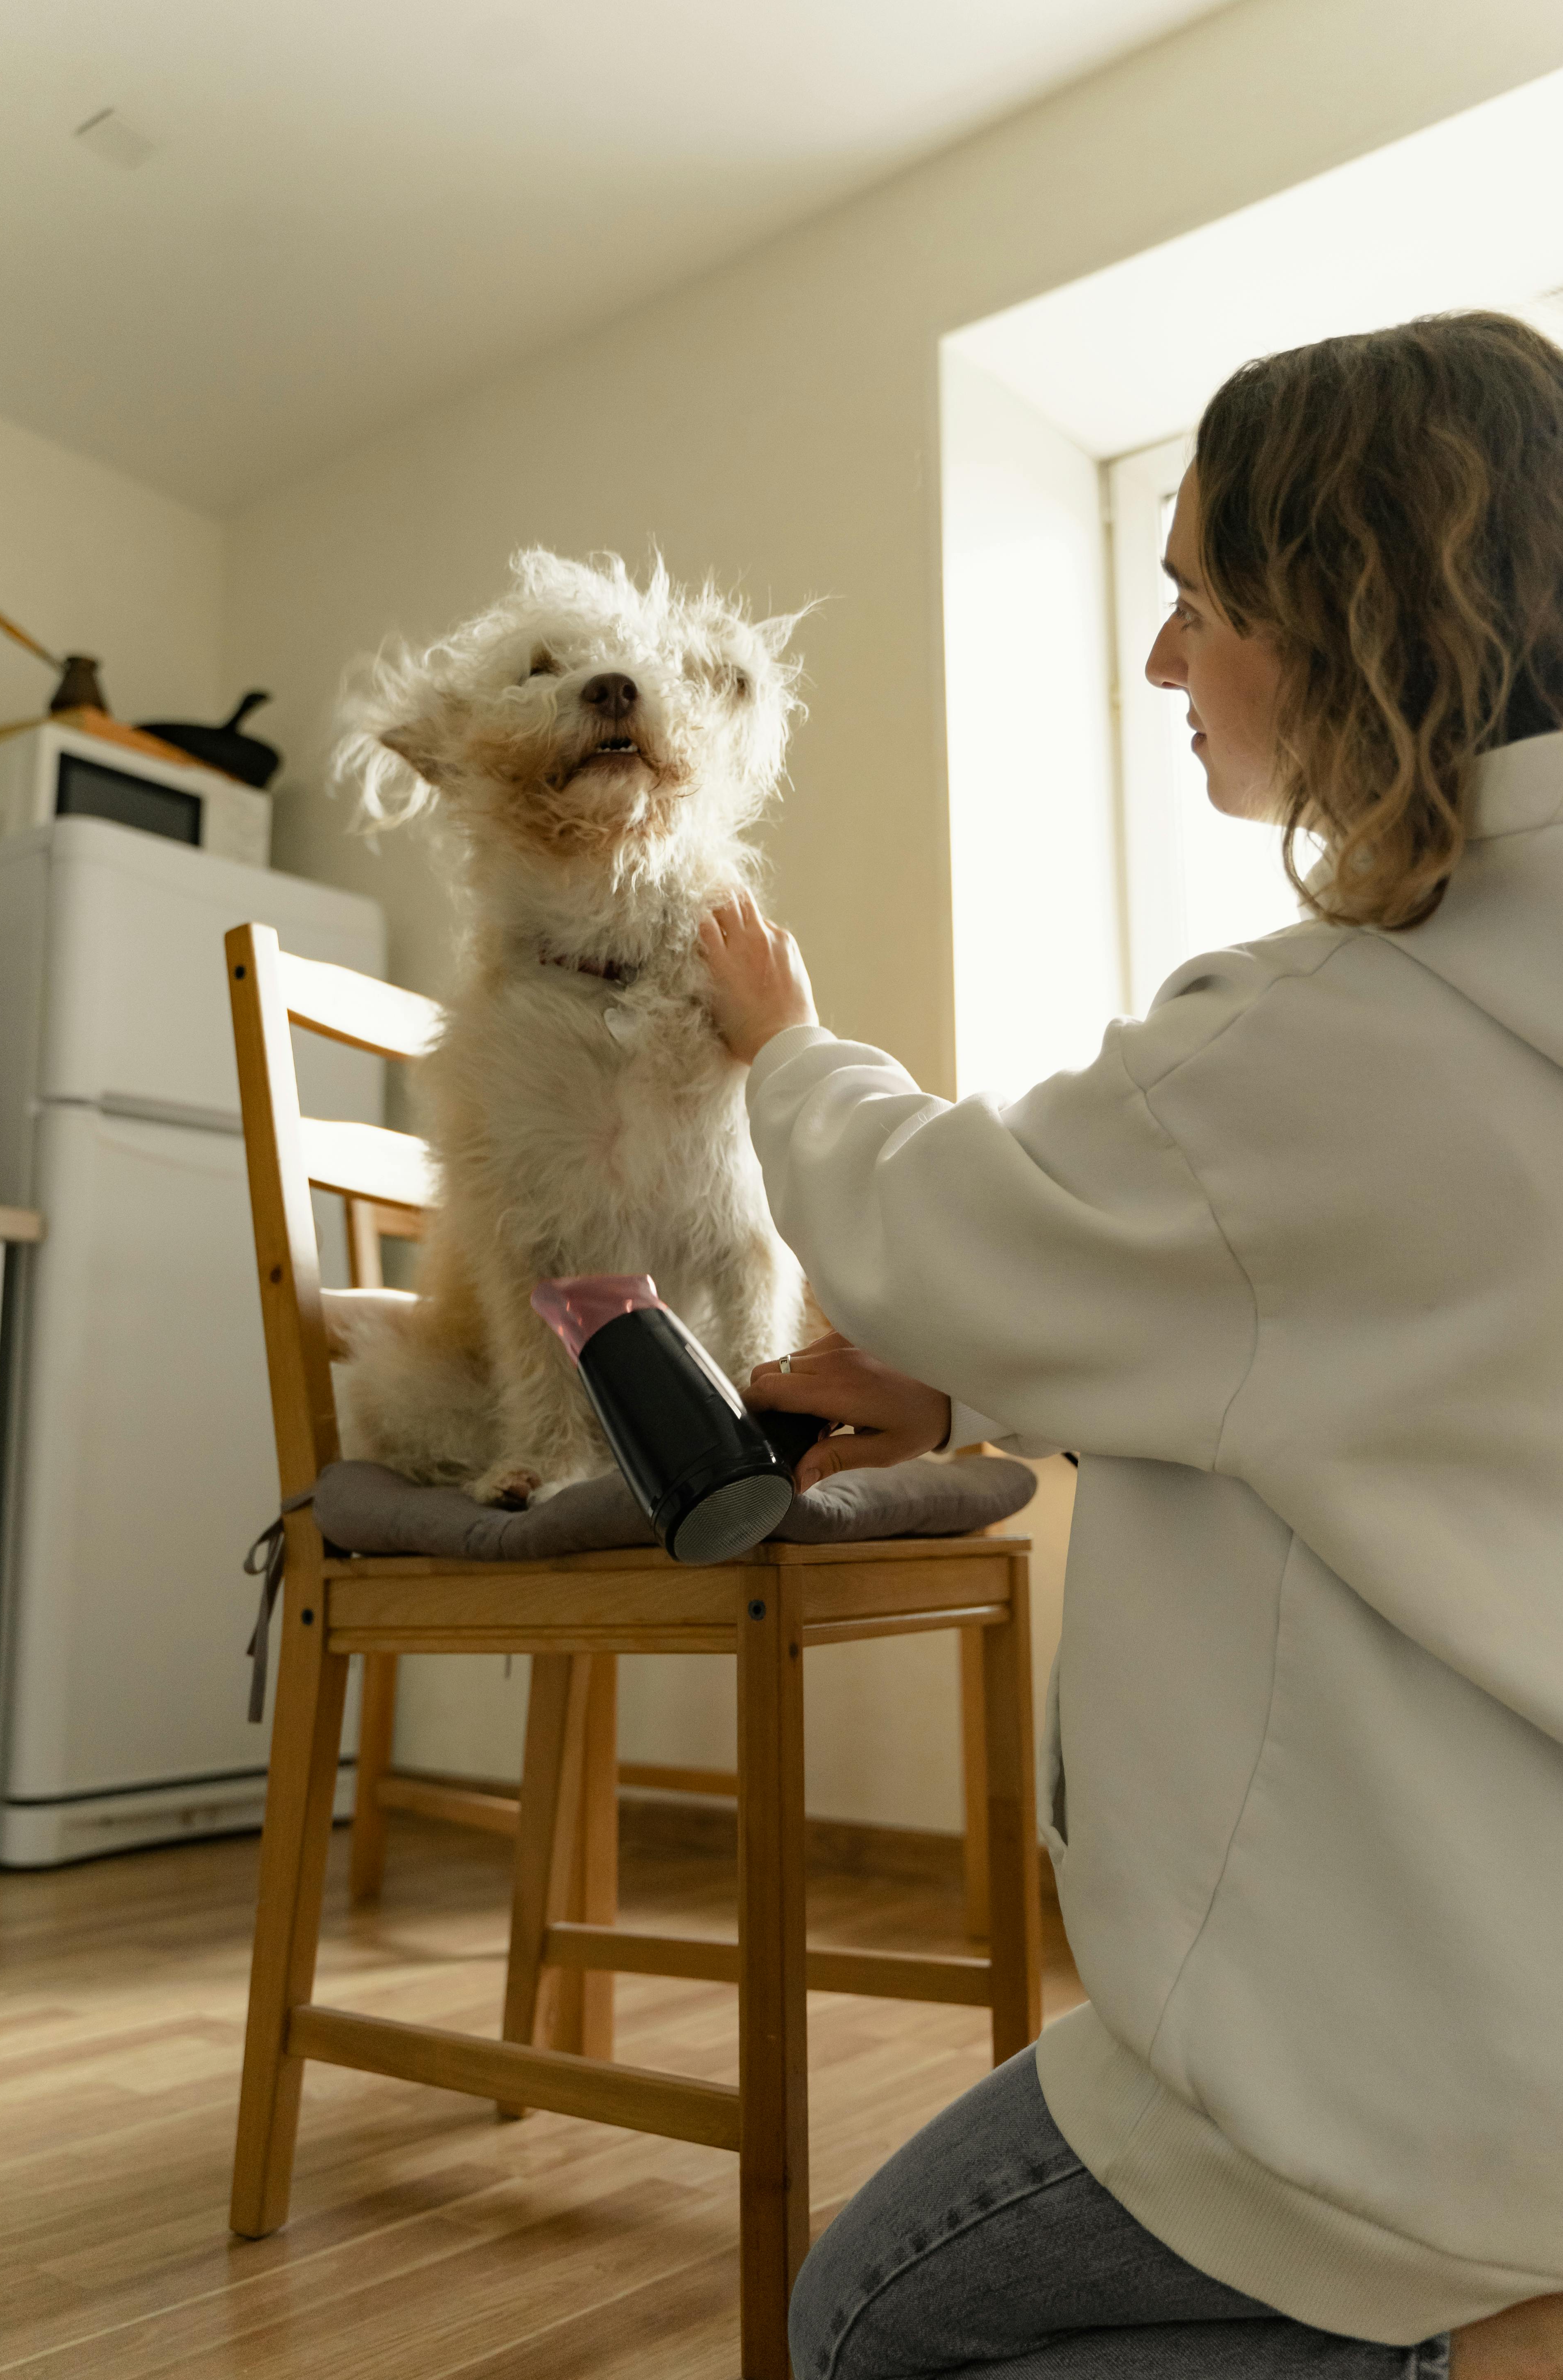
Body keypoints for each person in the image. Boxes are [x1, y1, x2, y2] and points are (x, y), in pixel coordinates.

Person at [697, 313, 1563, 2380]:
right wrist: (971, 1373)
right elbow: (1378, 1349)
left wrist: (784, 1040)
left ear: (1339, 597)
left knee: (854, 2326)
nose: (1161, 661)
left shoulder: (1331, 1032)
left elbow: (928, 1216)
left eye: (1188, 592)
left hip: (1412, 2071)